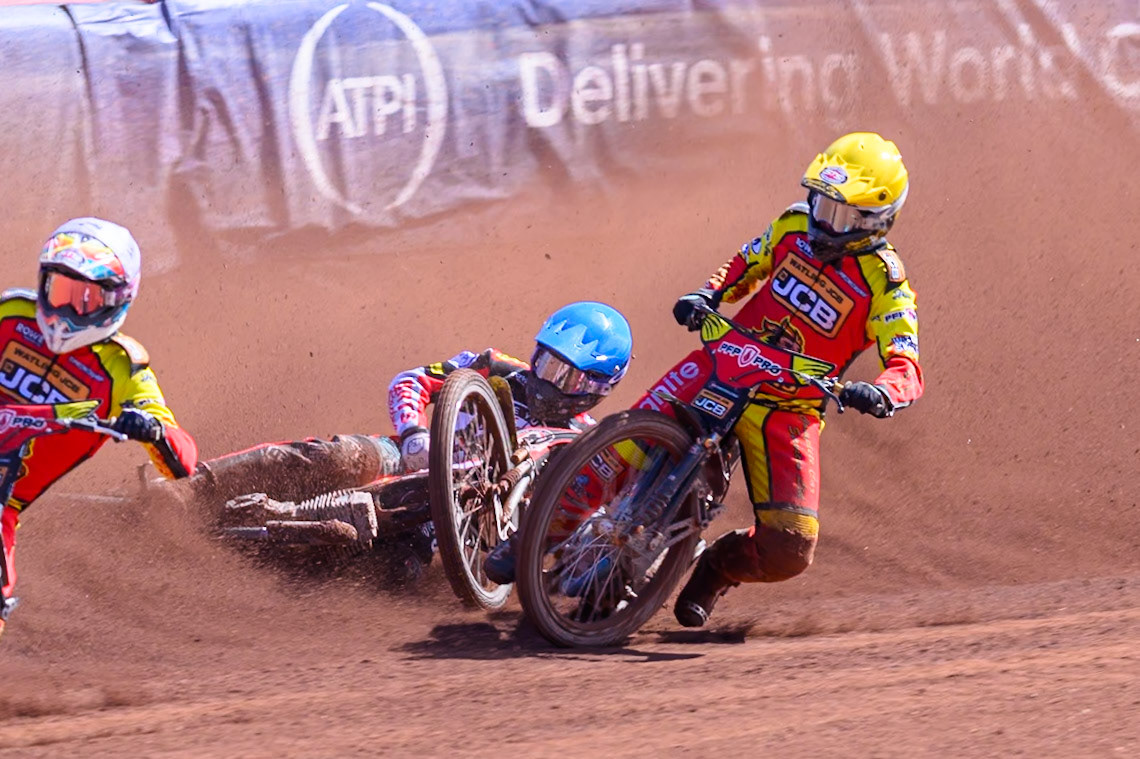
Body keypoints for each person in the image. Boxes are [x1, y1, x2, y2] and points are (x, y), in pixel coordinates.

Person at [659, 132, 925, 626]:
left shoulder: (887, 284)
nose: (823, 222)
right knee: (628, 442)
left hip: (790, 408)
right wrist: (708, 294)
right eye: (821, 204)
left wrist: (883, 393)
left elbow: (905, 364)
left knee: (790, 550)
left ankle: (714, 569)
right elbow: (748, 262)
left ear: (877, 222)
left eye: (841, 216)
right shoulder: (793, 224)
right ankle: (539, 532)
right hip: (727, 361)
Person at [178, 301, 633, 578]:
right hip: (406, 458)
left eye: (563, 373)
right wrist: (415, 431)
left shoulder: (588, 444)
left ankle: (240, 561)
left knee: (391, 575)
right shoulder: (494, 368)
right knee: (338, 454)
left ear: (596, 386)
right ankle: (191, 488)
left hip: (461, 529)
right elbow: (410, 380)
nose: (545, 377)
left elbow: (595, 517)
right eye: (545, 361)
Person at [0, 217, 198, 639]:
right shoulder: (10, 315)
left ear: (115, 301)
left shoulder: (125, 371)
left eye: (84, 298)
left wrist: (153, 432)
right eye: (59, 290)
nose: (66, 309)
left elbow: (182, 460)